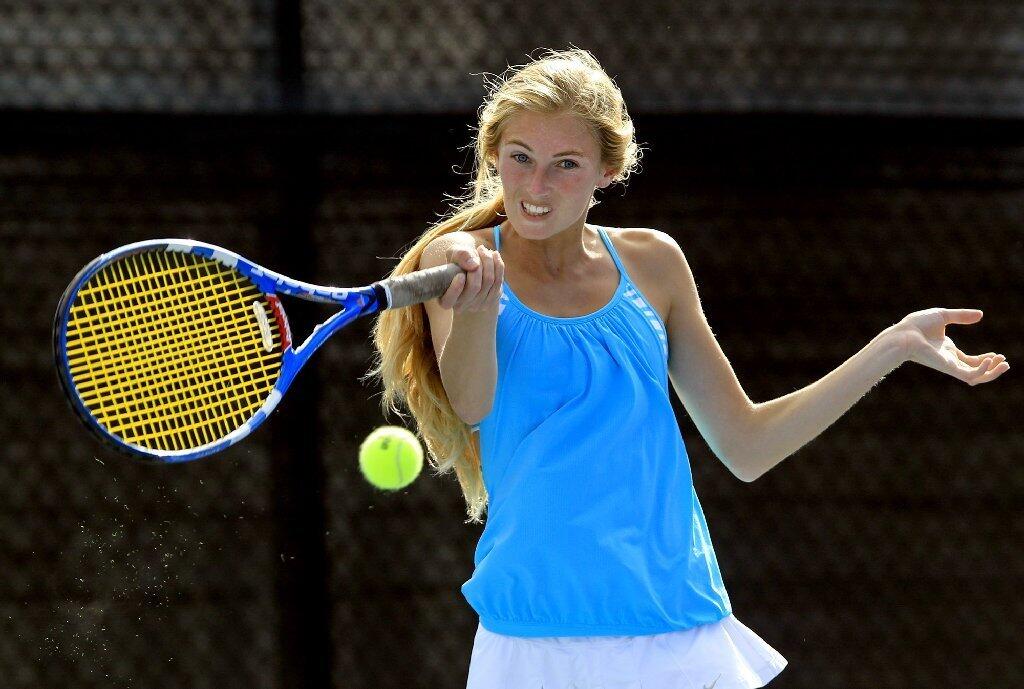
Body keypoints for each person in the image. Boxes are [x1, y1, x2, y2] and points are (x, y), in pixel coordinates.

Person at [368, 48, 1009, 689]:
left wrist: (892, 346)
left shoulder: (655, 263)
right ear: (494, 156)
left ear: (607, 171)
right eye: (521, 159)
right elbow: (473, 405)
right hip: (533, 638)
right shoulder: (460, 262)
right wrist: (475, 301)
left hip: (678, 628)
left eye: (566, 165)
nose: (537, 188)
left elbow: (747, 445)